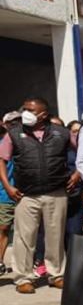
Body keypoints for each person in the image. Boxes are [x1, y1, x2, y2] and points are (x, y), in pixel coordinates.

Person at [0, 97, 72, 294]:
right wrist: (8, 186)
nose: (26, 113)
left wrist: (77, 175)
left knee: (55, 236)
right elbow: (2, 160)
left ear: (44, 114)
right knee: (25, 238)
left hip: (56, 193)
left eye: (30, 110)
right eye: (25, 108)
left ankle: (56, 274)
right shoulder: (14, 134)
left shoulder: (61, 133)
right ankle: (23, 278)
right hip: (26, 195)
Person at [0, 113, 16, 275]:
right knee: (3, 228)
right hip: (4, 193)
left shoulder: (23, 141)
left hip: (23, 193)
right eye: (11, 123)